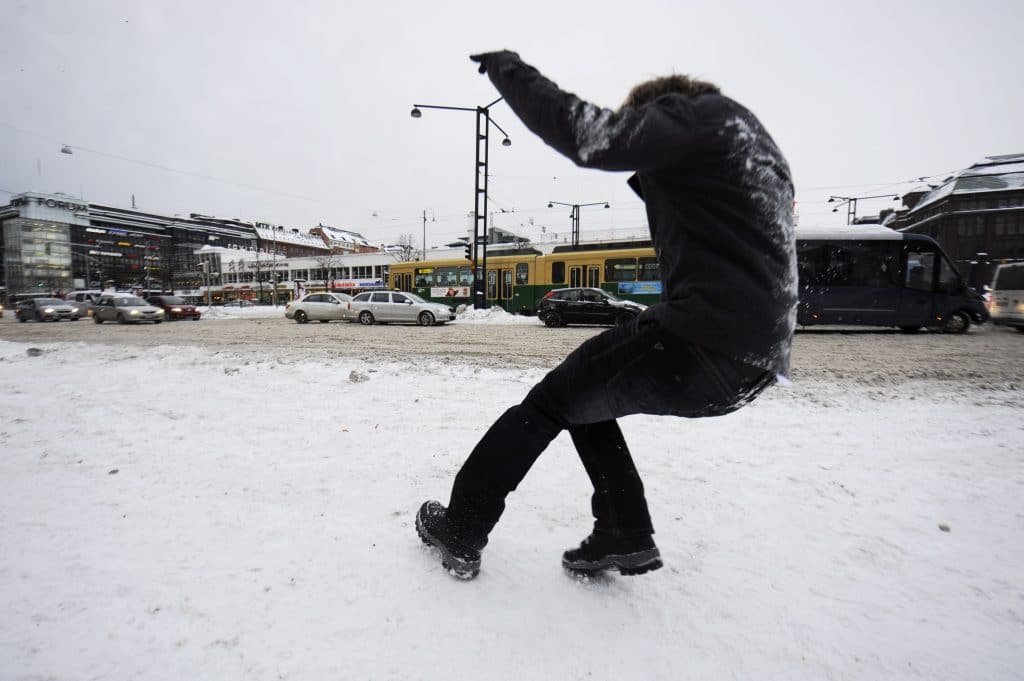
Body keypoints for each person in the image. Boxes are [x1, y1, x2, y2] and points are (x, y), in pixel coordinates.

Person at [416, 51, 797, 580]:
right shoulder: (751, 145)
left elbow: (591, 137)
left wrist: (510, 70)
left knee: (546, 404)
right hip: (755, 361)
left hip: (701, 336)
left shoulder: (696, 117)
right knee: (585, 399)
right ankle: (623, 531)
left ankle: (462, 528)